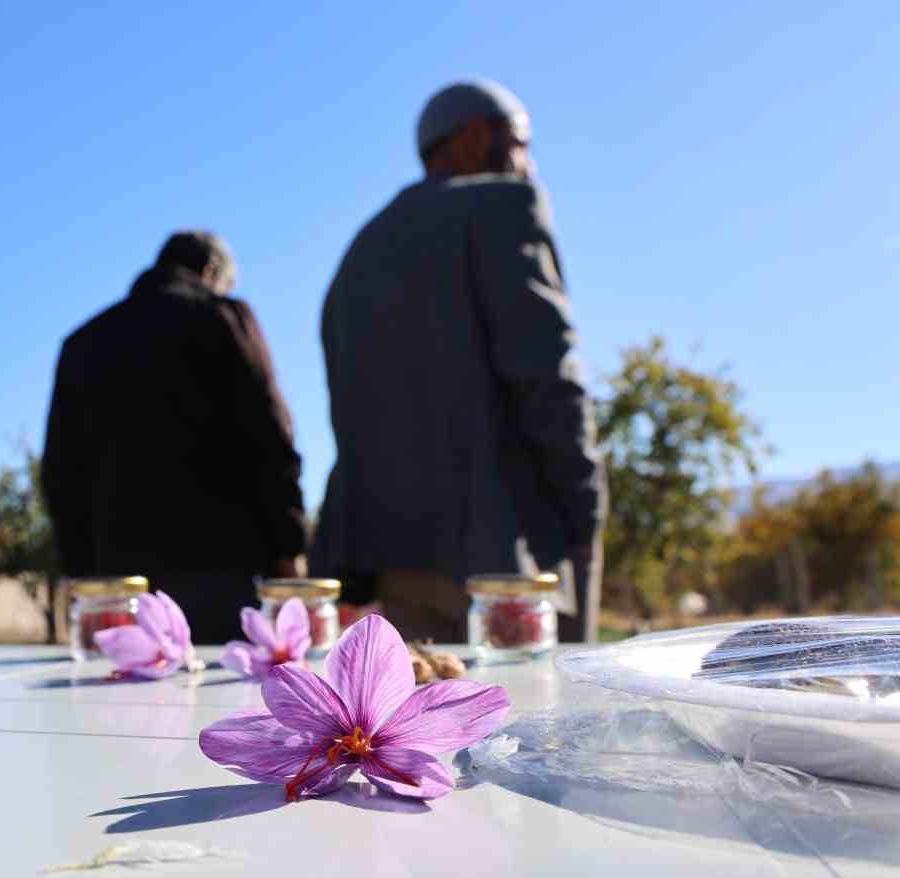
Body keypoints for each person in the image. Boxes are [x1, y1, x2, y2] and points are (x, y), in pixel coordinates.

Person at [312, 79, 605, 643]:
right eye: (520, 142)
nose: (528, 162)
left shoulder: (359, 252)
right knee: (536, 725)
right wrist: (585, 509)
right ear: (474, 136)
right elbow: (549, 379)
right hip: (506, 563)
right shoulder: (502, 206)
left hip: (393, 566)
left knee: (426, 727)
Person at [41, 231, 307, 643]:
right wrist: (288, 549)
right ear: (210, 271)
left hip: (116, 583)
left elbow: (61, 470)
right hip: (219, 567)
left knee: (112, 707)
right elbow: (271, 437)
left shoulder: (83, 342)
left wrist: (83, 576)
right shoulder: (224, 319)